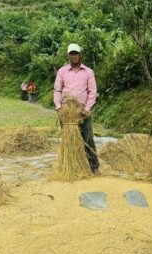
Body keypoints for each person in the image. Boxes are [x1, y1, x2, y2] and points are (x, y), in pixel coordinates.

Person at [53, 43, 100, 174]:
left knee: (88, 139)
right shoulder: (62, 71)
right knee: (68, 140)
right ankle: (70, 167)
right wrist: (59, 108)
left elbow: (92, 91)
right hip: (67, 113)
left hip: (83, 112)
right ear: (68, 55)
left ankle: (94, 166)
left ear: (80, 55)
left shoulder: (88, 72)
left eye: (76, 53)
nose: (74, 56)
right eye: (72, 53)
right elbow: (57, 90)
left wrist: (87, 108)